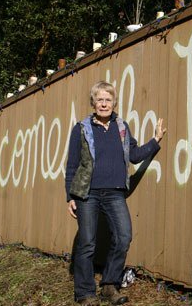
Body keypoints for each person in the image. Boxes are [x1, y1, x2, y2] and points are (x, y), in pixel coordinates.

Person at [65, 81, 166, 305]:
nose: (104, 104)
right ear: (93, 103)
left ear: (114, 103)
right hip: (87, 194)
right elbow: (72, 165)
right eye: (99, 100)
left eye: (108, 100)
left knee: (123, 237)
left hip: (114, 193)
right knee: (87, 242)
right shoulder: (81, 128)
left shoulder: (122, 127)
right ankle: (84, 293)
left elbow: (135, 155)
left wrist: (156, 140)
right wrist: (70, 197)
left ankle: (109, 286)